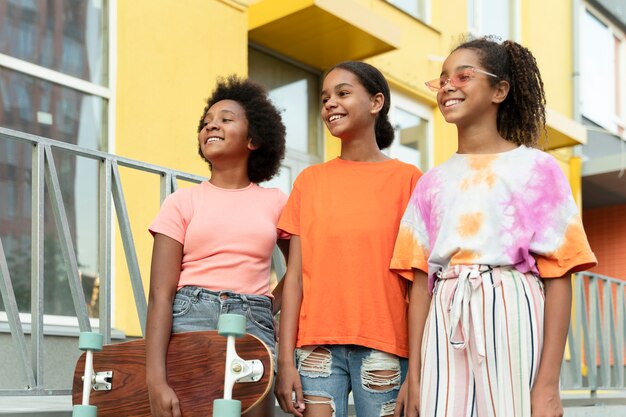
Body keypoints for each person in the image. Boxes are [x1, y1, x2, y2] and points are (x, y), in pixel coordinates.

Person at [391, 36, 597, 417]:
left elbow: (559, 276)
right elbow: (420, 282)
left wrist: (549, 384)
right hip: (446, 313)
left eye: (464, 76)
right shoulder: (431, 182)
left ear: (499, 90)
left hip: (512, 308)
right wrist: (415, 377)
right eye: (443, 78)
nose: (449, 85)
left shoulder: (539, 170)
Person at [275, 61, 423, 417]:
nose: (329, 104)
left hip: (385, 345)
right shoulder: (309, 182)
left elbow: (420, 283)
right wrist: (285, 361)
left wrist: (416, 373)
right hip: (315, 347)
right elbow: (293, 278)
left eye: (342, 93)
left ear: (376, 103)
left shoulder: (409, 180)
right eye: (325, 97)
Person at [145, 75, 290, 417]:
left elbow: (303, 270)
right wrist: (155, 379)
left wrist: (268, 307)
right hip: (189, 319)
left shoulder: (276, 202)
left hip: (253, 322)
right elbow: (160, 295)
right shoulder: (181, 202)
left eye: (226, 119)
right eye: (206, 122)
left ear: (253, 139)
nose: (212, 126)